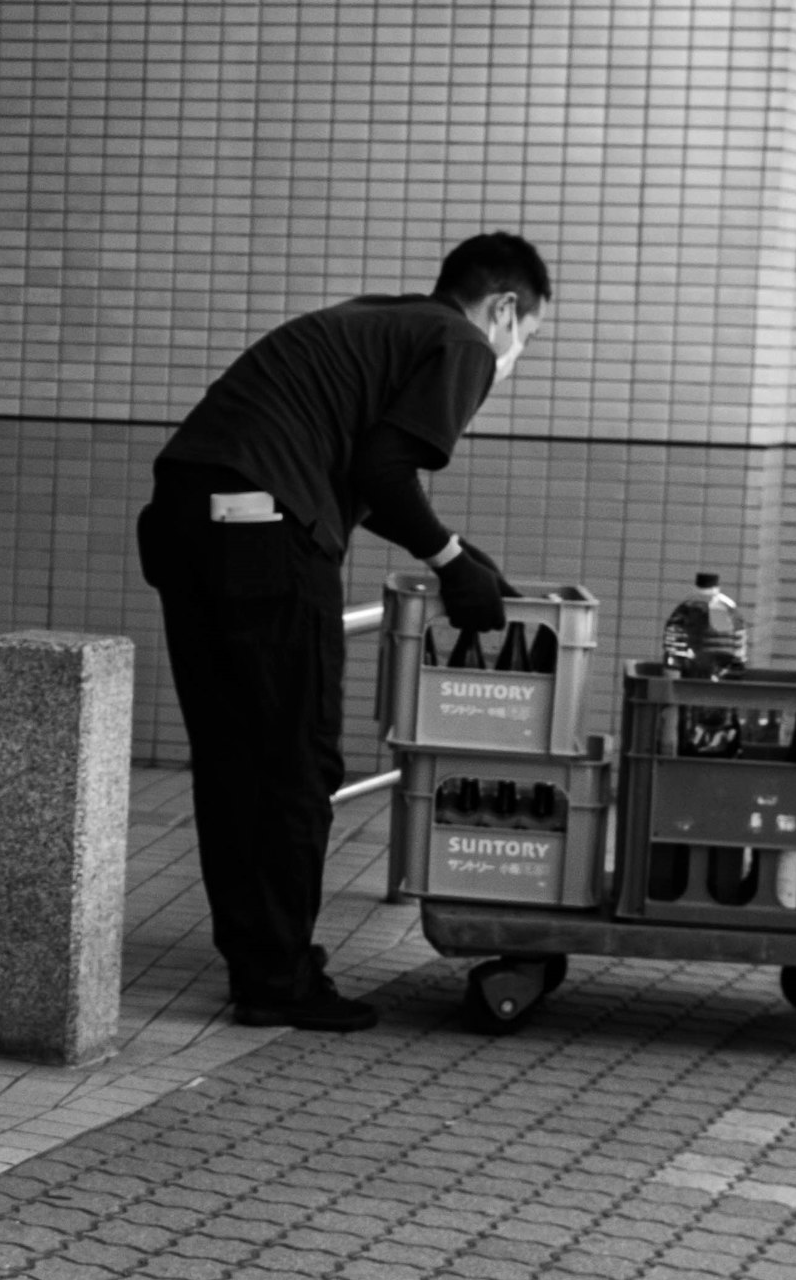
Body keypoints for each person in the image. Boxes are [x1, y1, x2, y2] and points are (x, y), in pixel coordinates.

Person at [138, 234, 552, 1029]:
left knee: (234, 755)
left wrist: (455, 552)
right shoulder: (460, 341)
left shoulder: (378, 321)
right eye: (526, 337)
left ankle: (260, 957)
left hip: (187, 520)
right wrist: (451, 560)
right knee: (297, 757)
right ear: (504, 309)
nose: (515, 356)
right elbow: (384, 472)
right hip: (264, 532)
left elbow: (363, 461)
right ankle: (279, 980)